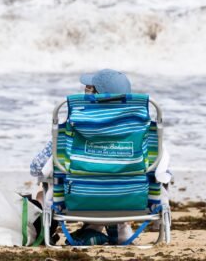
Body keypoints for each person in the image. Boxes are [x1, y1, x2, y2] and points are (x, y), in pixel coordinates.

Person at [30, 69, 171, 246]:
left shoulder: (70, 131)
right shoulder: (144, 133)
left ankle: (92, 228)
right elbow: (163, 173)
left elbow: (36, 168)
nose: (85, 91)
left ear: (95, 97)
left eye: (89, 88)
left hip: (78, 201)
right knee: (138, 176)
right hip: (132, 201)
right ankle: (120, 229)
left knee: (46, 187)